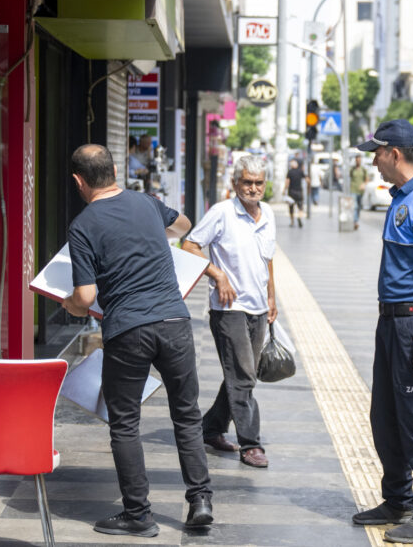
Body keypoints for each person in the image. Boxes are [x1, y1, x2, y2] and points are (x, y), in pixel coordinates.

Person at [61, 144, 213, 538]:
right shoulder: (147, 203)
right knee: (187, 414)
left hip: (129, 329)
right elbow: (184, 224)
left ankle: (138, 515)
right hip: (175, 322)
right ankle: (200, 500)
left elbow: (86, 297)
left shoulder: (83, 225)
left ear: (78, 181)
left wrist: (68, 304)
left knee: (125, 423)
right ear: (115, 171)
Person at [351, 119, 413, 543]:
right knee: (386, 415)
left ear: (394, 153)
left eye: (376, 153)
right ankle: (397, 500)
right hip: (391, 321)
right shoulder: (401, 198)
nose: (373, 161)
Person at [181, 155, 276, 469]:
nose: (253, 188)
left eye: (258, 183)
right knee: (244, 376)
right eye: (247, 182)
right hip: (229, 308)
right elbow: (189, 246)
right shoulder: (222, 213)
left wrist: (272, 297)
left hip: (258, 308)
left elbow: (268, 259)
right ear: (236, 183)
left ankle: (211, 428)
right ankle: (251, 444)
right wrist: (218, 275)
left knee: (241, 374)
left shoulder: (268, 214)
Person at [284, 159, 306, 227]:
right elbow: (307, 179)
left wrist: (284, 190)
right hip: (299, 191)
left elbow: (287, 182)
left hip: (291, 192)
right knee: (300, 207)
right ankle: (299, 217)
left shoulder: (290, 172)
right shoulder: (300, 171)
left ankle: (292, 222)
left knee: (291, 207)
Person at [350, 154, 369, 229]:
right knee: (355, 206)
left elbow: (367, 179)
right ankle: (355, 222)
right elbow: (349, 177)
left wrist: (364, 184)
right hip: (353, 189)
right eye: (357, 160)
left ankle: (357, 219)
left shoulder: (363, 169)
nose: (358, 161)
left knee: (359, 206)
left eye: (359, 159)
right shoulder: (352, 169)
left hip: (361, 191)